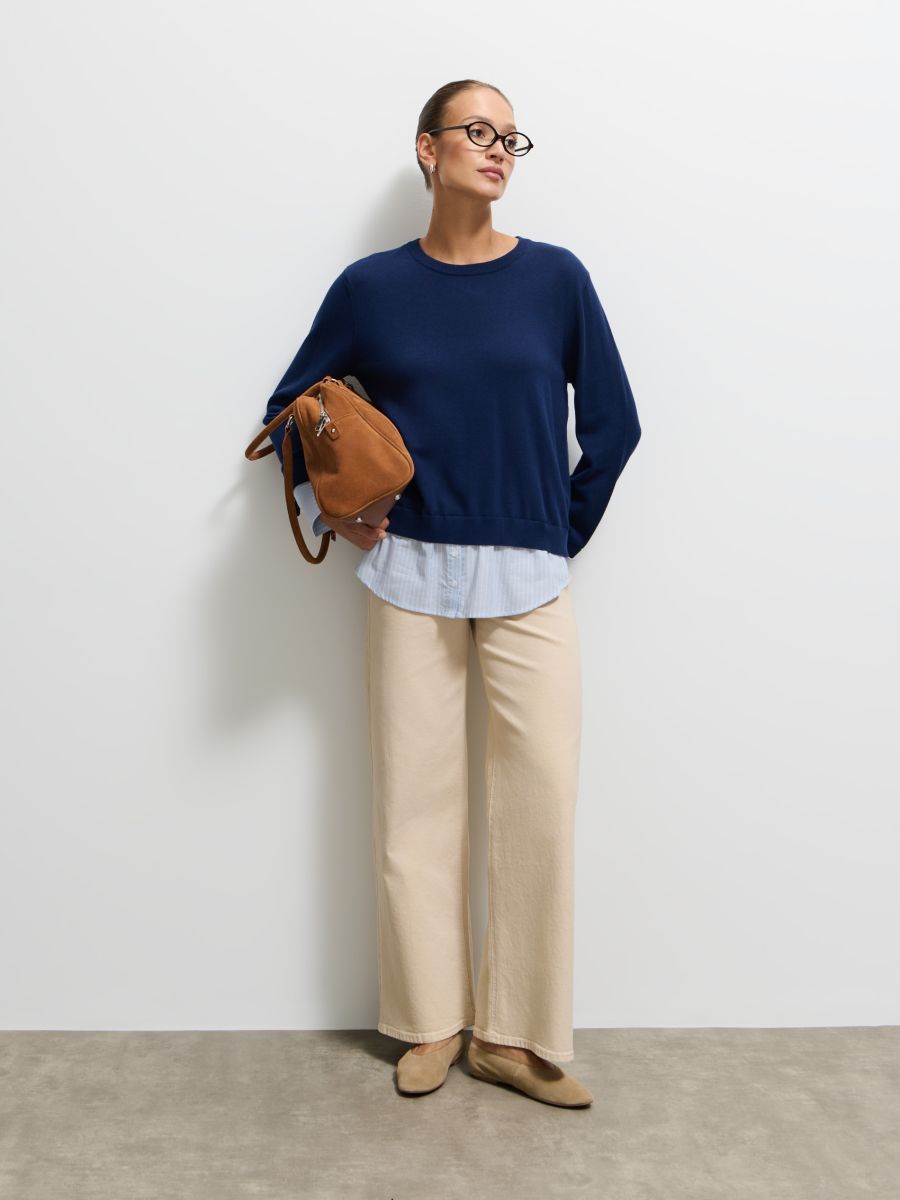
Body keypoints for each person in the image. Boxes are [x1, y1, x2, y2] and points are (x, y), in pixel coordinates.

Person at [259, 79, 641, 1108]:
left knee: (540, 802)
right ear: (426, 150)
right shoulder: (371, 289)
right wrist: (335, 508)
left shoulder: (556, 279)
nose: (499, 148)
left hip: (530, 578)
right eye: (478, 130)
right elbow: (290, 408)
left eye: (511, 136)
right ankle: (431, 1022)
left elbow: (617, 424)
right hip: (410, 573)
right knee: (415, 806)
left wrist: (559, 531)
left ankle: (512, 1038)